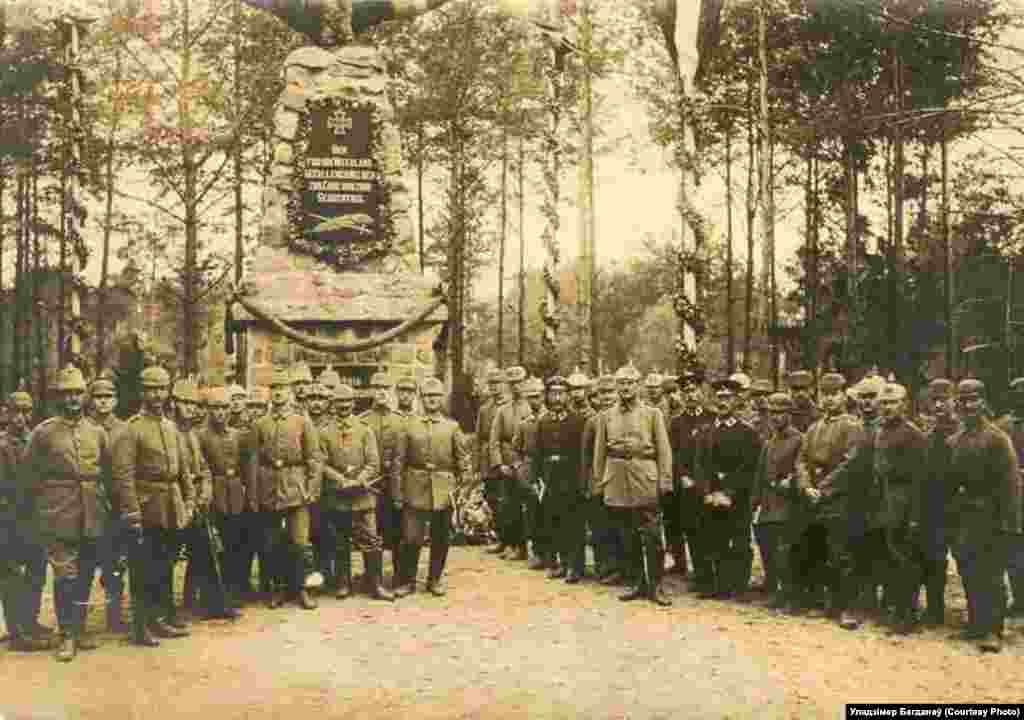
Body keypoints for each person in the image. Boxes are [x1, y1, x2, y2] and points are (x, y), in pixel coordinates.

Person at [24, 366, 115, 662]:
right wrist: (41, 510)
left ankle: (78, 627)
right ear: (58, 397)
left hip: (92, 512)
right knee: (65, 575)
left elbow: (108, 472)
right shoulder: (44, 432)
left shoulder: (97, 431)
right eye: (67, 394)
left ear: (84, 395)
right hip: (58, 513)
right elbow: (29, 475)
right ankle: (66, 634)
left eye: (77, 393)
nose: (73, 399)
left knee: (86, 573)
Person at [113, 365, 195, 647]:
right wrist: (132, 512)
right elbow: (124, 476)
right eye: (151, 389)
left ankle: (160, 619)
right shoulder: (131, 429)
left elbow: (183, 469)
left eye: (161, 389)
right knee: (142, 568)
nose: (157, 395)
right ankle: (141, 625)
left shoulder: (171, 427)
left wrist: (189, 500)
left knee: (165, 565)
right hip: (147, 507)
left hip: (171, 505)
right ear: (142, 392)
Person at [946, 379, 1020, 652]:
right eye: (963, 400)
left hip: (991, 515)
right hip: (963, 518)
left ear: (983, 401)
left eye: (973, 399)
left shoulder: (998, 438)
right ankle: (976, 623)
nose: (967, 405)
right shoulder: (955, 439)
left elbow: (1010, 485)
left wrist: (1008, 522)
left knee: (991, 572)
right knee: (968, 569)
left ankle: (993, 629)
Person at [593, 363, 674, 606]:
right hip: (617, 479)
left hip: (645, 478)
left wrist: (665, 479)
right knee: (626, 535)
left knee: (652, 535)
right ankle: (638, 583)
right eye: (621, 384)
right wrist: (599, 482)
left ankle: (657, 585)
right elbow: (599, 452)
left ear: (637, 386)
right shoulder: (605, 416)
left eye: (629, 383)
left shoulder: (652, 414)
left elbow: (664, 450)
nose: (625, 388)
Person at [248, 368, 321, 610]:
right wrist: (255, 494)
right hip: (269, 488)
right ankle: (277, 589)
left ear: (290, 393)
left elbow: (313, 458)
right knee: (272, 542)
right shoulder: (260, 424)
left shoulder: (302, 422)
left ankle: (302, 589)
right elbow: (254, 461)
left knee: (300, 542)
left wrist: (312, 488)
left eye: (282, 389)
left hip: (296, 486)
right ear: (270, 393)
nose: (278, 394)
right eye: (275, 389)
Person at [393, 378, 470, 597]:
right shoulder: (408, 426)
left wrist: (462, 491)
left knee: (441, 538)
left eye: (436, 396)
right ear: (421, 398)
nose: (432, 400)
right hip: (414, 486)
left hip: (444, 490)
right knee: (411, 538)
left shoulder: (452, 426)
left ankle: (434, 579)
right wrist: (398, 492)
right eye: (427, 396)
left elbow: (463, 461)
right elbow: (399, 462)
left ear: (441, 398)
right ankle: (407, 581)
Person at [794, 372, 861, 618]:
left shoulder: (852, 426)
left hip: (838, 500)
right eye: (825, 394)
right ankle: (823, 602)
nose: (829, 399)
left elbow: (850, 463)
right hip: (814, 498)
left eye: (834, 394)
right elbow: (801, 460)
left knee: (841, 554)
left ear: (844, 395)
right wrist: (806, 486)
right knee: (817, 550)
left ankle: (846, 608)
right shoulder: (814, 427)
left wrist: (822, 489)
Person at [320, 383, 392, 601]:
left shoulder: (365, 430)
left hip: (363, 496)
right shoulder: (324, 432)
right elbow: (321, 463)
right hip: (338, 495)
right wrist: (341, 480)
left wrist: (359, 481)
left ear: (353, 403)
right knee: (340, 540)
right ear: (333, 405)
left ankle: (375, 584)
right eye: (339, 402)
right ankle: (343, 583)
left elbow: (373, 463)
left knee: (371, 539)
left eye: (347, 402)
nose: (343, 406)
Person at [693, 376, 763, 600]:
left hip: (737, 498)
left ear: (737, 401)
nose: (722, 402)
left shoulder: (748, 433)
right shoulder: (705, 432)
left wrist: (728, 492)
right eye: (719, 397)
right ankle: (717, 586)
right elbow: (699, 465)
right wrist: (707, 492)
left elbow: (749, 467)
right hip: (711, 498)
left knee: (739, 542)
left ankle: (739, 587)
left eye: (728, 397)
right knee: (713, 539)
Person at [0, 386, 54, 652]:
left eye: (25, 411)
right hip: (8, 520)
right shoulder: (2, 445)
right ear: (6, 413)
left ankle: (30, 622)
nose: (20, 417)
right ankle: (17, 632)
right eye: (15, 411)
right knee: (10, 576)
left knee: (37, 571)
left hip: (34, 518)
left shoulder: (36, 442)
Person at [751, 392, 804, 610]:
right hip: (768, 504)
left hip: (788, 504)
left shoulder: (799, 439)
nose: (775, 417)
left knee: (786, 551)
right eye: (772, 413)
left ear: (789, 414)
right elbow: (760, 474)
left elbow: (802, 469)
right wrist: (754, 503)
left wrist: (790, 484)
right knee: (768, 548)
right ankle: (775, 589)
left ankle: (791, 594)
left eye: (780, 413)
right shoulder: (769, 442)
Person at [534, 375, 588, 583]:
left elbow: (583, 454)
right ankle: (560, 564)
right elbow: (538, 452)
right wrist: (538, 478)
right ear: (548, 396)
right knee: (554, 521)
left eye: (561, 394)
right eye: (553, 393)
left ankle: (575, 566)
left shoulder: (578, 421)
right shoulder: (543, 422)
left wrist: (582, 480)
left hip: (571, 478)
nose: (557, 398)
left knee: (573, 523)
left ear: (567, 396)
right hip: (550, 478)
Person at [198, 387, 247, 617]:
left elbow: (245, 467)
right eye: (216, 408)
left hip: (235, 496)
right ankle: (210, 602)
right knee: (210, 551)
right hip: (212, 495)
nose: (220, 413)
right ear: (209, 410)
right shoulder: (201, 436)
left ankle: (231, 597)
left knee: (233, 548)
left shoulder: (238, 435)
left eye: (224, 408)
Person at [88, 370, 130, 633]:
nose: (103, 401)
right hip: (88, 503)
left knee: (115, 563)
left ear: (115, 400)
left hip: (115, 505)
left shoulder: (124, 429)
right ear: (91, 400)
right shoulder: (85, 427)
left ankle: (115, 614)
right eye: (98, 397)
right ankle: (76, 621)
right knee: (85, 561)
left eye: (108, 397)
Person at [914, 378, 957, 627]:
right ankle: (935, 610)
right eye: (935, 401)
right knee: (934, 559)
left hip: (963, 505)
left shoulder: (963, 430)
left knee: (971, 560)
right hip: (936, 507)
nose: (939, 405)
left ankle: (981, 617)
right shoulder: (929, 436)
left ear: (954, 400)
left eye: (944, 400)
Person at [359, 372, 408, 588]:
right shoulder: (362, 420)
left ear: (391, 392)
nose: (381, 392)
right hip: (371, 486)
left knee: (398, 530)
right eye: (377, 388)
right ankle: (373, 577)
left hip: (396, 484)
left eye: (385, 388)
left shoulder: (401, 420)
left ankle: (400, 576)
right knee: (370, 532)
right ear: (371, 390)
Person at [667, 370, 713, 582]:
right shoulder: (676, 422)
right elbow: (672, 453)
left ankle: (709, 570)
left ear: (701, 392)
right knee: (687, 525)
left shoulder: (712, 418)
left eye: (694, 391)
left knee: (709, 526)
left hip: (709, 482)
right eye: (686, 392)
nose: (691, 396)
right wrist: (683, 476)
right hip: (684, 483)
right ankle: (685, 566)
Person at [583, 375, 623, 584]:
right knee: (600, 527)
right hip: (599, 480)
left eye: (610, 393)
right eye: (602, 394)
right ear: (596, 398)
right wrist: (588, 482)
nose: (606, 398)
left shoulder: (623, 418)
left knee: (620, 526)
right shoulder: (592, 421)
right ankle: (603, 567)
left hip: (620, 479)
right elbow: (586, 456)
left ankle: (622, 567)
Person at [489, 366, 531, 562]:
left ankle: (537, 548)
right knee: (509, 505)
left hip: (527, 463)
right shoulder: (503, 411)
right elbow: (494, 441)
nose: (516, 387)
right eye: (512, 384)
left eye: (519, 383)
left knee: (531, 506)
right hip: (507, 464)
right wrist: (499, 465)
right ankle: (514, 544)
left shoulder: (532, 406)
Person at [512, 378, 549, 570]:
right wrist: (519, 467)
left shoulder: (550, 418)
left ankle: (551, 554)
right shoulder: (524, 423)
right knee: (532, 512)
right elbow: (516, 448)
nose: (535, 401)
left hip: (549, 470)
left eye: (537, 397)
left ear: (543, 396)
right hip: (530, 469)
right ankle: (537, 552)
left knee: (549, 512)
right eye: (531, 398)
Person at [996, 377, 1024, 616]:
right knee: (1013, 549)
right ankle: (1019, 598)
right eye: (1018, 394)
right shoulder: (1002, 426)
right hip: (1010, 496)